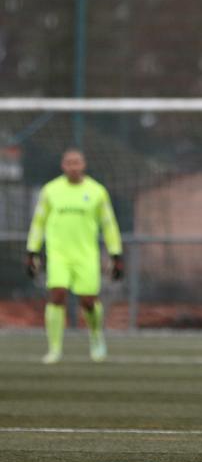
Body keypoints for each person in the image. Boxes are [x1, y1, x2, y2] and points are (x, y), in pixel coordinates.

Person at [26, 149, 123, 364]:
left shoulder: (97, 191)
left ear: (83, 165)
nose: (73, 166)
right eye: (69, 162)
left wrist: (116, 254)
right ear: (63, 166)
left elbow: (109, 225)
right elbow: (39, 222)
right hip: (58, 254)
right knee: (57, 295)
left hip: (86, 255)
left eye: (77, 162)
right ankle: (54, 348)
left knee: (88, 301)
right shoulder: (51, 190)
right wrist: (32, 250)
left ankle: (96, 336)